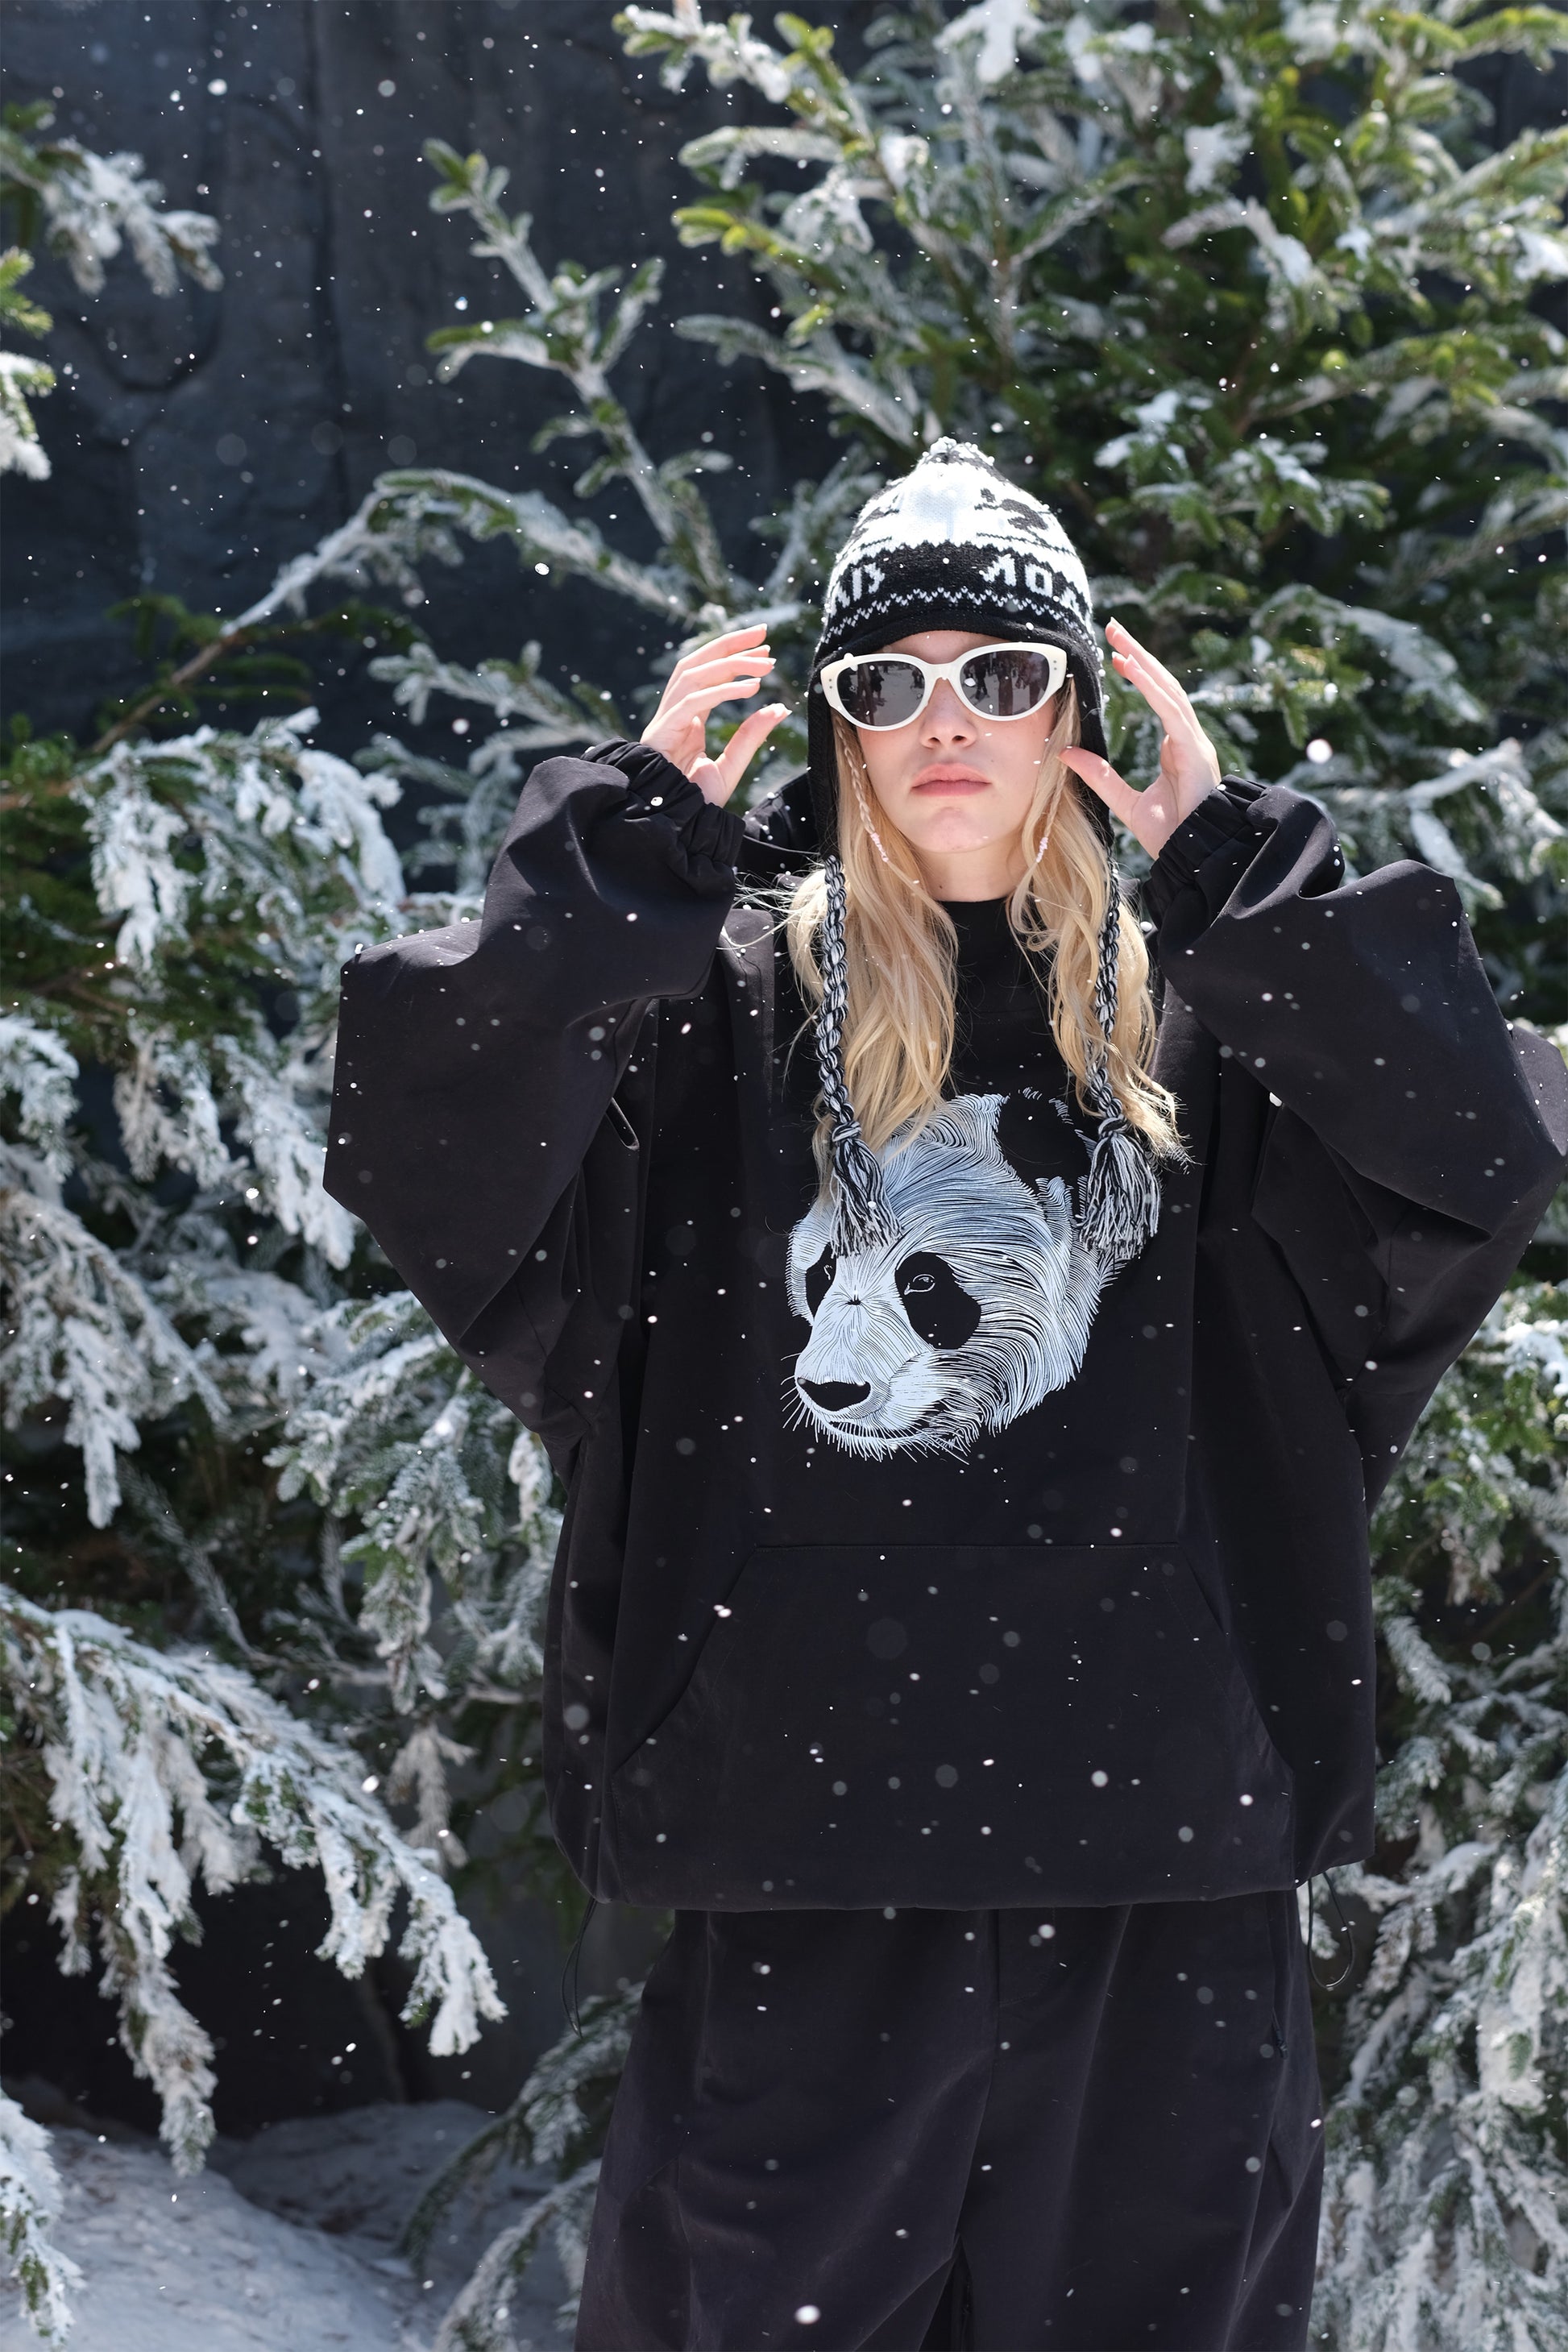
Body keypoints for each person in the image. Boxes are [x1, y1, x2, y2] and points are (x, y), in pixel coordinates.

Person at [326, 439, 1567, 2351]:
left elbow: (1473, 1158)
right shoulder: (709, 1019)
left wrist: (1251, 885)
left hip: (1162, 1887)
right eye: (885, 682)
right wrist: (614, 867)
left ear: (1076, 702)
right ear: (832, 725)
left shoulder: (1218, 1025)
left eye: (1000, 671)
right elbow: (426, 1139)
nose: (946, 721)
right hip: (803, 1870)